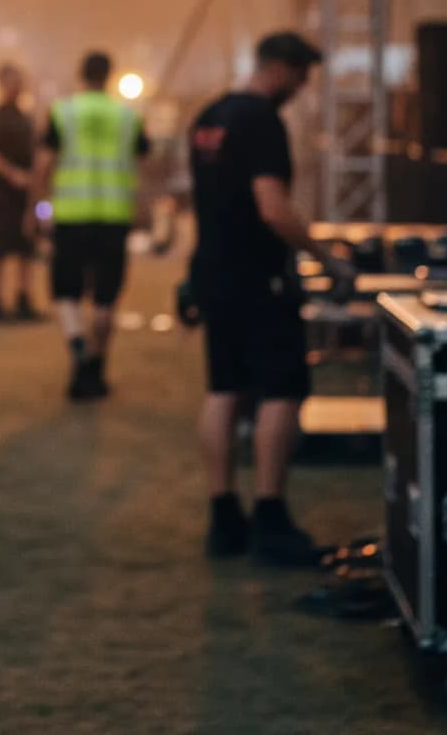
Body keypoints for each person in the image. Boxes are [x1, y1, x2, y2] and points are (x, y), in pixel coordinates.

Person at [187, 30, 357, 567]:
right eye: (302, 75)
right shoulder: (262, 121)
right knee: (281, 389)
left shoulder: (208, 116)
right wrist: (328, 259)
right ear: (281, 68)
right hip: (260, 277)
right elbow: (273, 208)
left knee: (224, 389)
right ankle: (270, 514)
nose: (303, 87)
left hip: (213, 271)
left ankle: (222, 517)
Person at [31, 50, 149, 400]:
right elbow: (142, 165)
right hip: (114, 216)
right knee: (106, 297)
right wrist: (143, 208)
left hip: (71, 216)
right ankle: (98, 364)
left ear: (80, 74)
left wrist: (39, 208)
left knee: (65, 290)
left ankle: (77, 342)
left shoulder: (63, 112)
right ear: (110, 76)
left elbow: (43, 165)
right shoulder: (127, 116)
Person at [0, 63, 41, 323]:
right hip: (1, 193)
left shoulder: (27, 118)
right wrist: (13, 174)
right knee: (0, 249)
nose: (17, 87)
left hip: (25, 195)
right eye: (12, 82)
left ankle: (24, 299)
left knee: (27, 247)